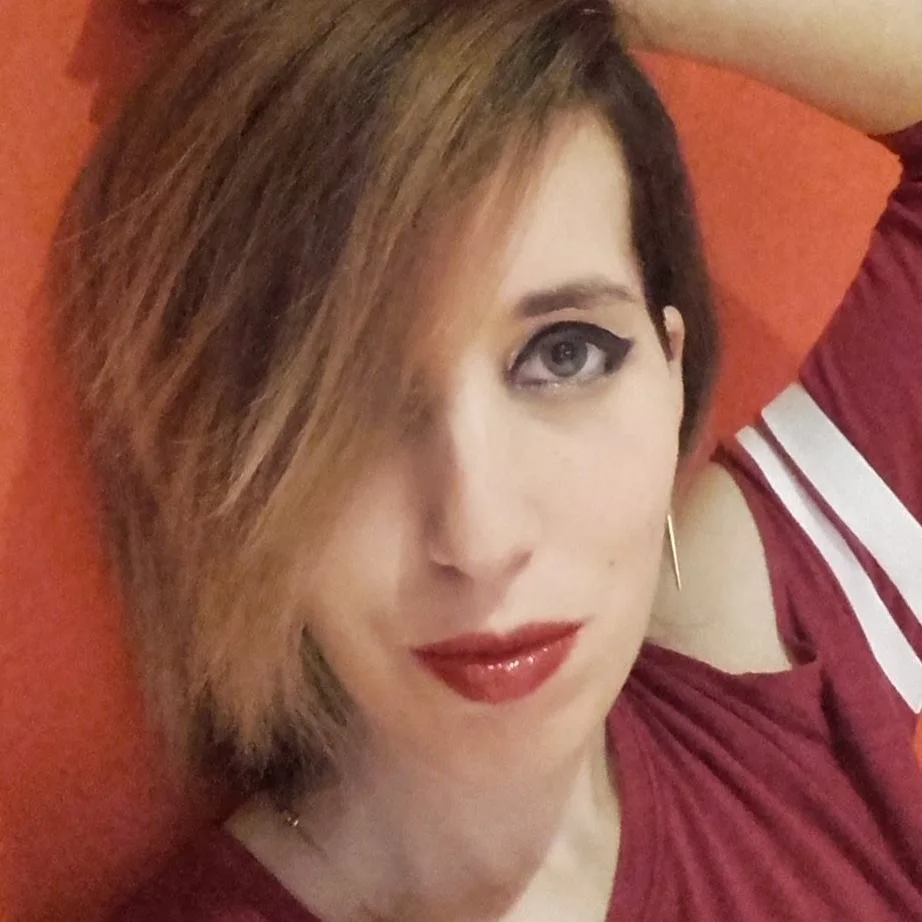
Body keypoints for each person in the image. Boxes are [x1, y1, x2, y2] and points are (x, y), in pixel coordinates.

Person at [51, 0, 922, 918]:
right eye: (347, 400)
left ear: (672, 368)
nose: (481, 539)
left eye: (566, 354)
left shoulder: (775, 662)